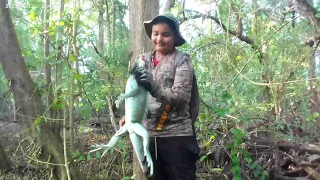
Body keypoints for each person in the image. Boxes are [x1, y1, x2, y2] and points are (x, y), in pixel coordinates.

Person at [119, 12, 200, 180]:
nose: (159, 39)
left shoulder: (181, 60)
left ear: (175, 38)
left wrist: (154, 87)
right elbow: (137, 95)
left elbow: (182, 97)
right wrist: (130, 115)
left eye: (166, 34)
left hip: (177, 137)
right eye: (156, 34)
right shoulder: (143, 60)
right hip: (150, 136)